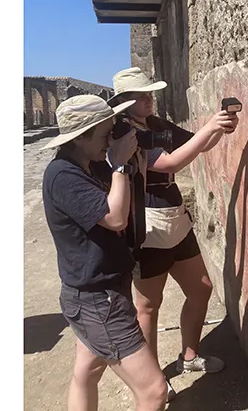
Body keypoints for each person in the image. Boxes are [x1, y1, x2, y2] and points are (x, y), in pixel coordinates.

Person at [107, 67, 239, 401]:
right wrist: (209, 127)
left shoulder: (155, 125)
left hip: (174, 218)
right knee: (148, 307)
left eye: (149, 92)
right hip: (147, 225)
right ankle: (152, 381)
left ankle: (189, 357)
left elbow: (195, 145)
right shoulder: (123, 133)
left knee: (201, 288)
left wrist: (218, 127)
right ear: (124, 102)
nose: (150, 97)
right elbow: (171, 164)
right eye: (143, 94)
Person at [40, 94, 168, 411]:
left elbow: (126, 200)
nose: (109, 140)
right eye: (104, 134)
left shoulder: (89, 164)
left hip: (94, 291)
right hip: (98, 298)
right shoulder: (63, 175)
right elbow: (115, 218)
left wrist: (130, 164)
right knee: (153, 391)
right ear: (80, 137)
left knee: (88, 371)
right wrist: (120, 165)